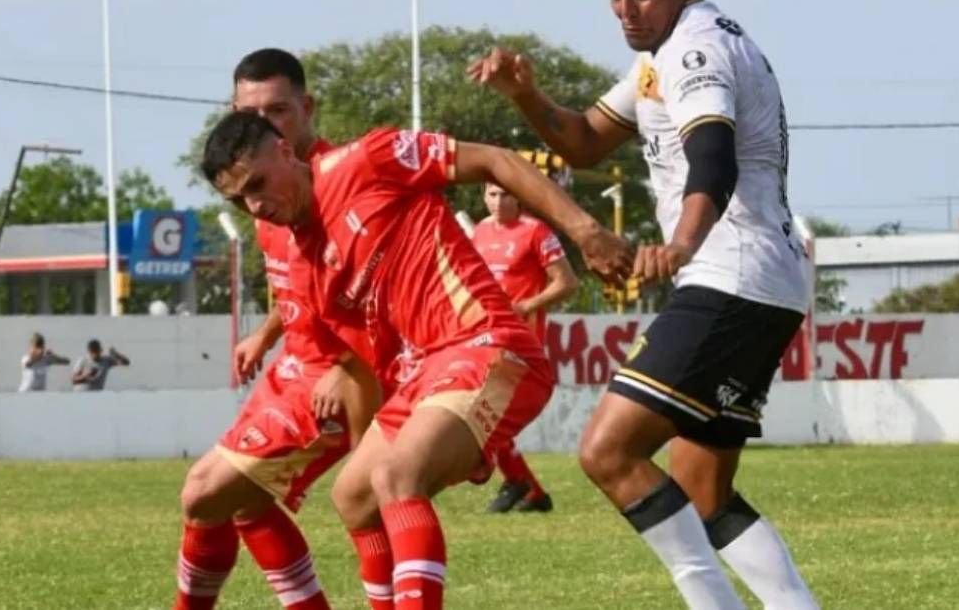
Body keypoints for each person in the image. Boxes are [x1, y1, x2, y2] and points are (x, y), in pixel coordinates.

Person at [467, 0, 818, 607]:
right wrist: (526, 95)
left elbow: (713, 159)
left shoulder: (694, 51)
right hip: (761, 280)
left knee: (607, 450)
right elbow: (584, 139)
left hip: (729, 274)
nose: (626, 8)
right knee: (703, 489)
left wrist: (682, 245)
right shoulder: (660, 58)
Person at [200, 110, 631, 609]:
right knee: (354, 495)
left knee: (395, 476)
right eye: (239, 199)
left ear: (286, 151)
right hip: (426, 376)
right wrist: (384, 435)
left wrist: (586, 231)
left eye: (257, 183)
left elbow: (496, 159)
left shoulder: (365, 160)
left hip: (488, 342)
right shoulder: (308, 266)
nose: (256, 205)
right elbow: (369, 367)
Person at [172, 48, 383, 610]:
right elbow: (305, 287)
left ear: (306, 108)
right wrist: (266, 334)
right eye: (249, 112)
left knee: (204, 493)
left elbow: (380, 296)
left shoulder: (342, 181)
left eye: (278, 111)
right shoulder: (258, 188)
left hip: (336, 376)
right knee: (243, 502)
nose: (262, 125)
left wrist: (346, 369)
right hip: (292, 366)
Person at [471, 182, 578, 513]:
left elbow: (568, 282)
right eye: (491, 194)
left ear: (519, 196)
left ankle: (519, 482)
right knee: (483, 411)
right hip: (485, 335)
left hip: (521, 339)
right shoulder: (480, 231)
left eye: (506, 194)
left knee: (487, 412)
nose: (499, 201)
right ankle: (528, 488)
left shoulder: (535, 231)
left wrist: (528, 304)